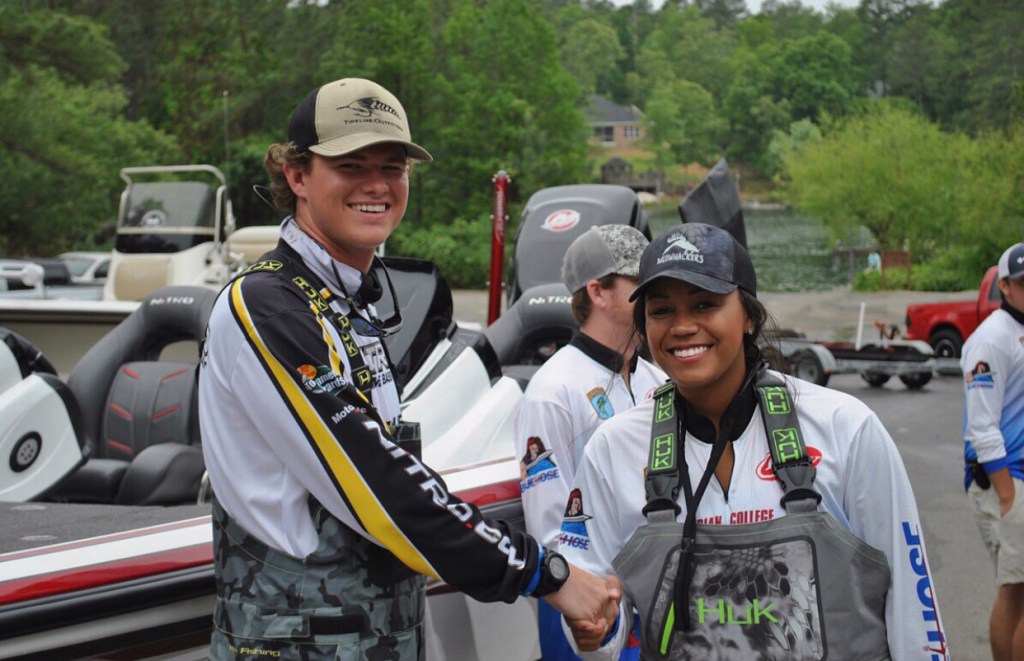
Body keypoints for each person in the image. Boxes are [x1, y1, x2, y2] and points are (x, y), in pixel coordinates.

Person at [197, 77, 618, 659]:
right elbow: (378, 482)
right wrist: (544, 574)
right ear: (296, 176)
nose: (377, 185)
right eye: (351, 164)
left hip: (380, 635)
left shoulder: (352, 302)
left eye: (393, 167)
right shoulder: (266, 304)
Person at [558, 222, 948, 659]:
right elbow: (595, 606)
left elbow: (916, 611)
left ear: (748, 316)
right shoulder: (613, 448)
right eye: (661, 311)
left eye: (705, 304)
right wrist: (596, 628)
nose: (682, 327)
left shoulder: (844, 427)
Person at [515, 224, 667, 660]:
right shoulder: (553, 391)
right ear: (598, 291)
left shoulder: (657, 377)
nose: (655, 293)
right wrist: (597, 606)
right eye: (641, 282)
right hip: (588, 603)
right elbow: (552, 528)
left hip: (658, 591)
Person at [961, 241, 1024, 661]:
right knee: (1015, 591)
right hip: (1008, 480)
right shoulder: (991, 341)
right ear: (1005, 285)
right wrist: (1007, 496)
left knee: (1017, 591)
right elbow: (982, 427)